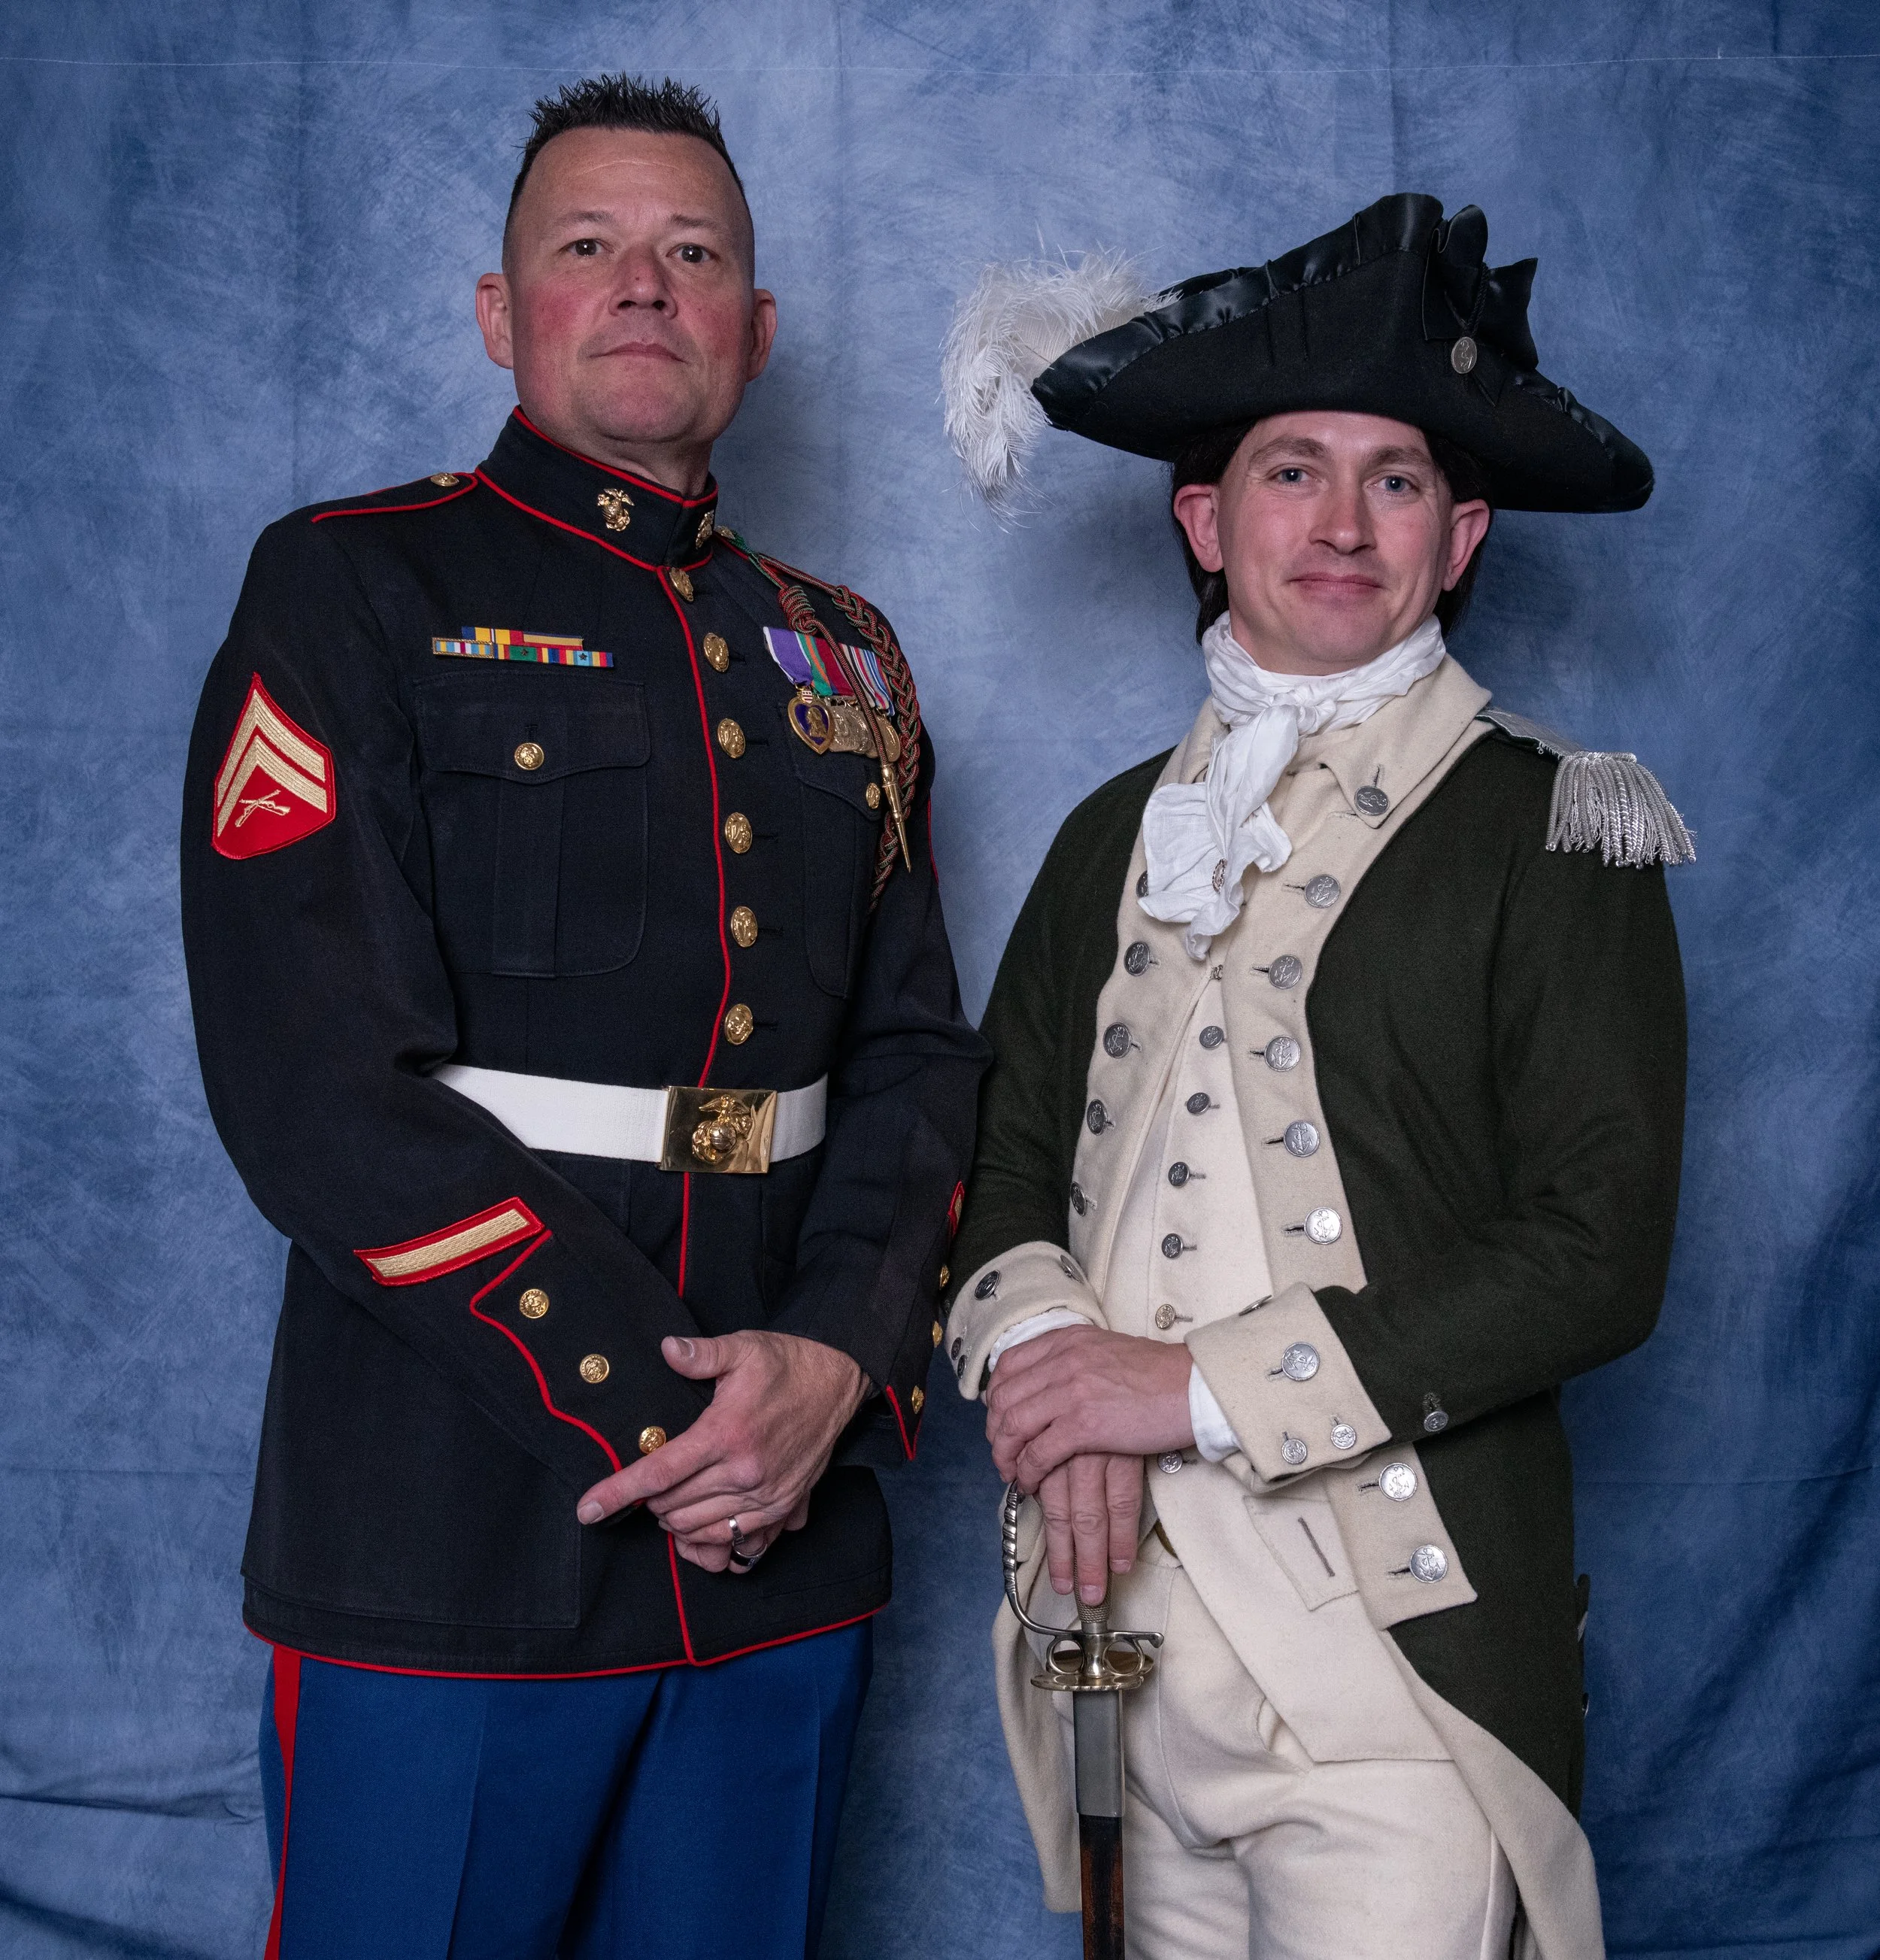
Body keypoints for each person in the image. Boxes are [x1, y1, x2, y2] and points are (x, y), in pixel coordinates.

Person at [180, 73, 986, 1959]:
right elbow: (314, 1090)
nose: (644, 286)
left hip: (786, 1549)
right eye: (590, 248)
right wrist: (671, 1420)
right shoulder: (354, 584)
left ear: (755, 329)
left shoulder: (843, 652)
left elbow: (914, 1062)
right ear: (501, 311)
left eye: (693, 254)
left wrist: (828, 1369)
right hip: (457, 1521)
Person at [940, 194, 1690, 1959]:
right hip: (1113, 1641)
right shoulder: (1106, 836)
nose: (1341, 522)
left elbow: (1597, 1246)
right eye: (1292, 471)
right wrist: (1053, 1367)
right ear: (1205, 518)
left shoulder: (1558, 827)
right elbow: (995, 1166)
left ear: (1461, 531)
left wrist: (1179, 1389)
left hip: (1394, 1675)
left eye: (1396, 479)